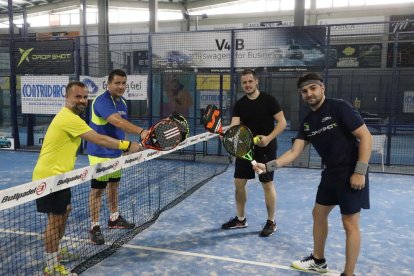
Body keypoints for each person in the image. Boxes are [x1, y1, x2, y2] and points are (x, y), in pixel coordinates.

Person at [253, 73, 372, 276]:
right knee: (318, 214)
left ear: (322, 88)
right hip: (330, 174)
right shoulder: (308, 121)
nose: (309, 94)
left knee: (350, 223)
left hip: (351, 172)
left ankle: (348, 273)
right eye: (304, 91)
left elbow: (365, 136)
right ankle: (318, 261)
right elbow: (293, 152)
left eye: (313, 88)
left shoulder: (339, 107)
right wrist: (268, 166)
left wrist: (360, 171)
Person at [34, 81, 142, 276]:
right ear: (66, 97)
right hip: (48, 179)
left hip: (61, 177)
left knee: (65, 212)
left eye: (85, 97)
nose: (82, 100)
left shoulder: (73, 118)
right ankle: (51, 267)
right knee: (55, 221)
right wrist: (127, 145)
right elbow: (99, 138)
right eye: (78, 97)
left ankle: (55, 253)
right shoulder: (68, 118)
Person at [221, 68, 287, 237]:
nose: (248, 85)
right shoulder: (240, 104)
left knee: (267, 184)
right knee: (239, 183)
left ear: (256, 81)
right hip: (245, 148)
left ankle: (271, 222)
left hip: (267, 148)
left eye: (250, 81)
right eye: (244, 82)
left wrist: (268, 138)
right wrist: (225, 133)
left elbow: (282, 123)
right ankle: (241, 219)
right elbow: (235, 127)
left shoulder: (269, 100)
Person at [87, 69, 148, 245]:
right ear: (108, 84)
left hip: (116, 152)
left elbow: (120, 129)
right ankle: (94, 226)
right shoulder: (102, 101)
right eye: (117, 83)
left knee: (114, 185)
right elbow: (117, 122)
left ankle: (114, 218)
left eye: (123, 83)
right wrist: (141, 131)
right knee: (98, 190)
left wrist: (126, 147)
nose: (121, 86)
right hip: (99, 153)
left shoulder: (122, 102)